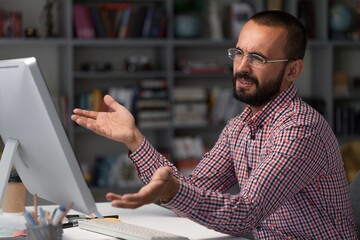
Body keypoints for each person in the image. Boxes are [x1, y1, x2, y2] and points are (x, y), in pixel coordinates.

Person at [71, 10, 357, 239]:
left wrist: (175, 192)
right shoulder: (239, 127)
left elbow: (246, 212)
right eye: (239, 53)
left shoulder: (299, 129)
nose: (242, 67)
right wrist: (134, 139)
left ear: (292, 70)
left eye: (257, 57)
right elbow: (192, 190)